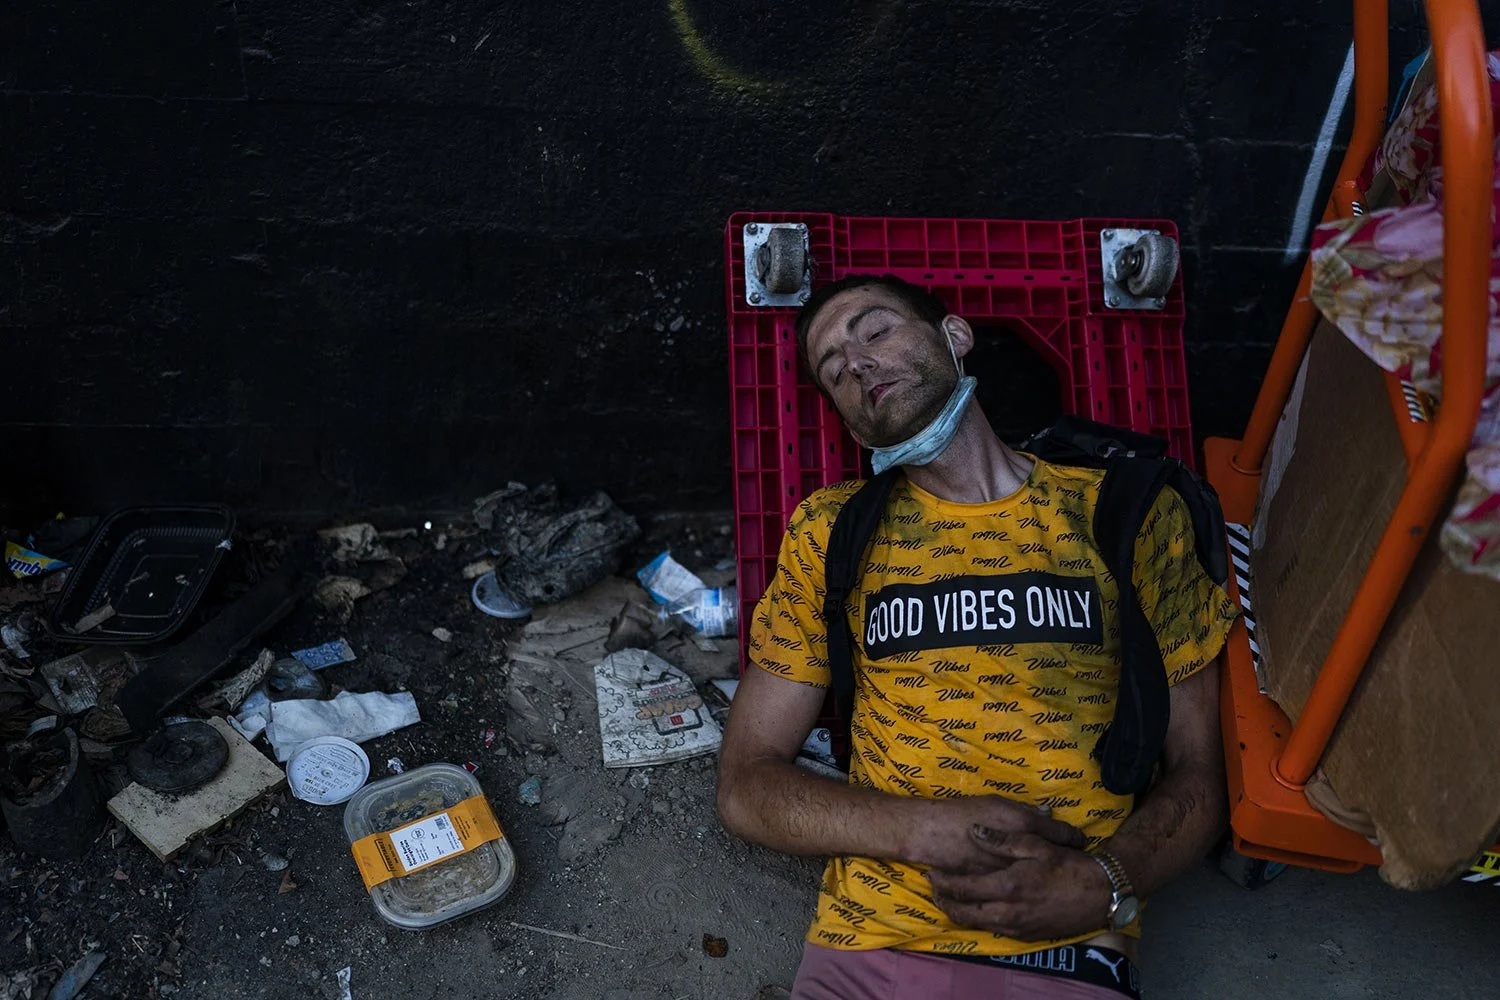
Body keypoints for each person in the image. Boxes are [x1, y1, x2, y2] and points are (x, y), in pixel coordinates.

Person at [715, 274, 1240, 999]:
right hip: (866, 950)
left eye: (875, 331)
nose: (857, 363)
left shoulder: (1127, 513)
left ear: (955, 336)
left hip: (1064, 957)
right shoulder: (830, 532)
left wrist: (1103, 881)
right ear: (852, 424)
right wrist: (921, 831)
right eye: (834, 370)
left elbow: (1201, 775)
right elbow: (746, 784)